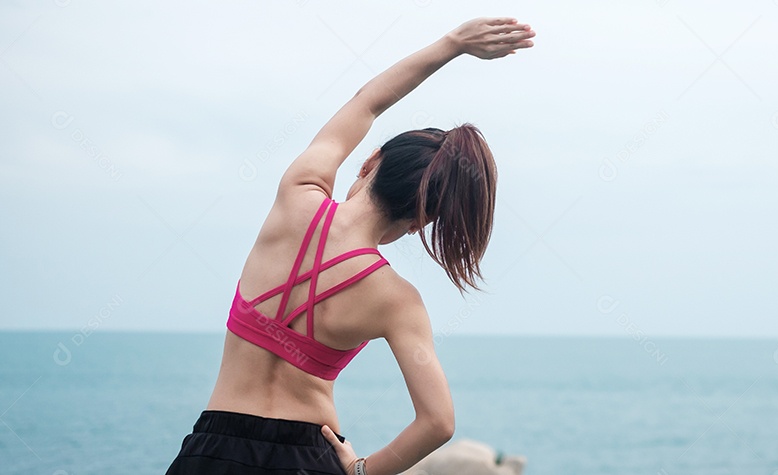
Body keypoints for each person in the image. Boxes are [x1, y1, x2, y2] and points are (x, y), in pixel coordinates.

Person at [164, 16, 535, 475]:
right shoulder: (397, 300)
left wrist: (453, 43)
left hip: (211, 451)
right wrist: (362, 471)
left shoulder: (296, 194)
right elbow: (438, 421)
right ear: (420, 221)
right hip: (307, 458)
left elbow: (369, 100)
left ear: (370, 161)